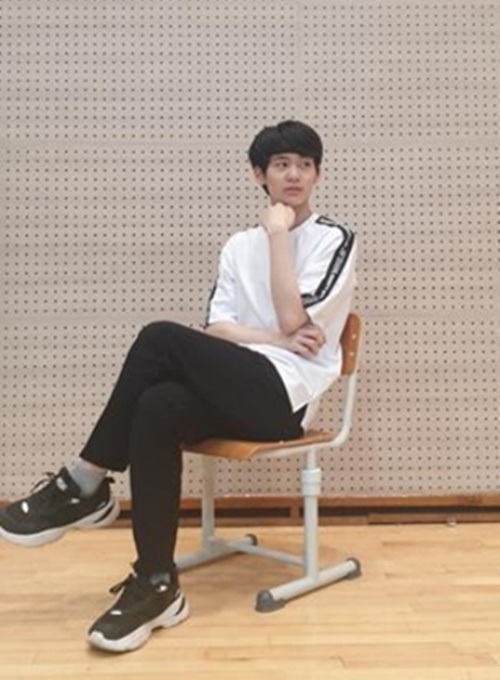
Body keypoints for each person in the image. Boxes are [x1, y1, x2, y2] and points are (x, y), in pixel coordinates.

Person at [0, 120, 357, 653]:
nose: (294, 175)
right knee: (157, 404)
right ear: (258, 174)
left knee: (159, 338)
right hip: (235, 382)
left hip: (283, 399)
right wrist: (274, 337)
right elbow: (219, 330)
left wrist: (279, 235)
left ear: (318, 175)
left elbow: (293, 318)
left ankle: (84, 482)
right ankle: (156, 583)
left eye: (305, 165)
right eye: (281, 164)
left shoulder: (334, 240)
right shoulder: (238, 246)